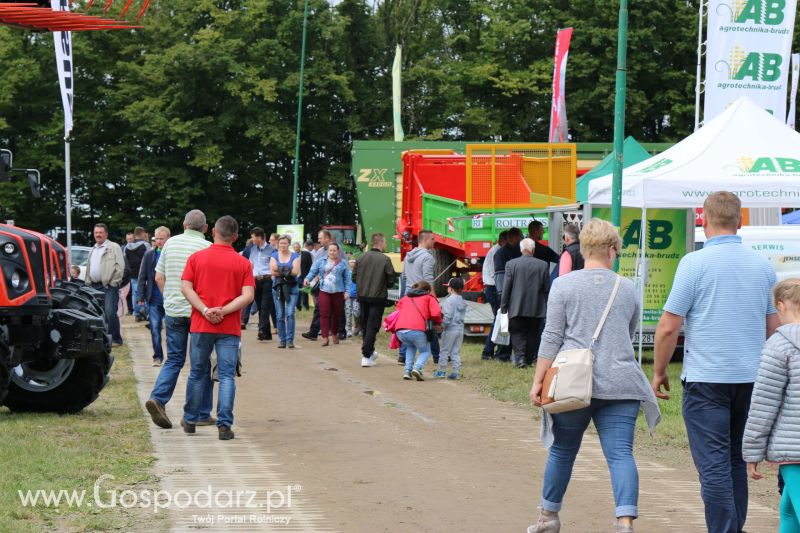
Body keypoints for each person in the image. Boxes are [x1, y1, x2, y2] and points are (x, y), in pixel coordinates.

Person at [652, 191, 778, 533]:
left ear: (703, 220)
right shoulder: (763, 266)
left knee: (714, 467)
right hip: (752, 380)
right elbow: (774, 328)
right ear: (740, 222)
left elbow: (668, 327)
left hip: (706, 380)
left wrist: (659, 371)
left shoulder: (693, 264)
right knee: (736, 462)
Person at [528, 219, 660, 533]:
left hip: (573, 382)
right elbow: (628, 332)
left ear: (583, 249)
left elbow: (551, 337)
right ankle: (625, 522)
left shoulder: (563, 285)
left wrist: (538, 381)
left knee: (562, 450)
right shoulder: (627, 288)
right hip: (621, 384)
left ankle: (549, 518)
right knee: (620, 454)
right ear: (613, 249)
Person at [181, 216, 255, 441]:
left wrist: (205, 310)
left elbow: (186, 287)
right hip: (229, 326)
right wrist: (223, 311)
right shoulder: (243, 263)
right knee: (226, 376)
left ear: (213, 231)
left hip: (201, 324)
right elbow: (248, 295)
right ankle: (224, 425)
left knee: (196, 372)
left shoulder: (196, 258)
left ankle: (191, 419)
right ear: (236, 237)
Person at [145, 210, 215, 430]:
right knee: (200, 364)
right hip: (198, 312)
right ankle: (201, 412)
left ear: (184, 225)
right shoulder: (208, 248)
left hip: (173, 309)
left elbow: (158, 277)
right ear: (205, 228)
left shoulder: (170, 243)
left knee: (174, 359)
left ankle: (158, 398)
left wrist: (169, 297)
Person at [743, 279, 800, 533]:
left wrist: (753, 452)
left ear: (780, 305)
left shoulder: (779, 346)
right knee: (788, 511)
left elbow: (764, 403)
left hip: (794, 449)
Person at [501, 238, 550, 368]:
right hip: (537, 307)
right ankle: (527, 359)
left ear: (521, 249)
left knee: (517, 333)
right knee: (532, 334)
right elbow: (546, 289)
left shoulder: (511, 264)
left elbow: (507, 288)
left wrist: (503, 307)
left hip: (516, 306)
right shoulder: (543, 265)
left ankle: (520, 359)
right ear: (533, 249)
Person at [353, 233, 396, 367]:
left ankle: (369, 352)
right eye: (385, 243)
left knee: (365, 323)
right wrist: (383, 284)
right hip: (378, 297)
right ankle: (366, 354)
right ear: (381, 243)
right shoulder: (385, 259)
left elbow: (353, 277)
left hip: (362, 296)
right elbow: (391, 279)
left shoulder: (360, 258)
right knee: (373, 325)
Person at [84, 223, 125, 346]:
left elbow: (120, 266)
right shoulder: (93, 249)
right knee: (99, 313)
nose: (98, 234)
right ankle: (104, 338)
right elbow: (89, 267)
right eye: (96, 232)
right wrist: (88, 283)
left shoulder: (114, 247)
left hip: (109, 286)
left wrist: (113, 283)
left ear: (106, 234)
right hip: (94, 286)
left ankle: (116, 339)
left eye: (101, 232)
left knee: (110, 312)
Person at [399, 230, 437, 365]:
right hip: (422, 296)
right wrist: (433, 296)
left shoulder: (408, 255)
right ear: (425, 240)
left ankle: (402, 356)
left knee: (407, 324)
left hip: (408, 294)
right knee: (427, 326)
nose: (434, 241)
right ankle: (436, 355)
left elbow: (403, 276)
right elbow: (428, 279)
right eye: (432, 239)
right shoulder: (427, 257)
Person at [304, 242, 351, 346]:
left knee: (337, 315)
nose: (332, 252)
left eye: (334, 250)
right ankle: (325, 337)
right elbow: (312, 271)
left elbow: (348, 279)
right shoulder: (321, 261)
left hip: (338, 292)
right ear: (327, 251)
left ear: (338, 251)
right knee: (324, 313)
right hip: (324, 290)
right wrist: (307, 278)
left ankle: (334, 333)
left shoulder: (343, 263)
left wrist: (347, 292)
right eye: (330, 250)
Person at [394, 281, 442, 381]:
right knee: (425, 351)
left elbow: (397, 312)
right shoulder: (429, 298)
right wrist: (437, 323)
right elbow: (437, 312)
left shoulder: (404, 298)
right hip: (418, 330)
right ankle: (417, 368)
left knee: (410, 346)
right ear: (428, 290)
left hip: (400, 331)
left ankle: (407, 371)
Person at [137, 226, 170, 366]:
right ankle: (157, 356)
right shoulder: (149, 255)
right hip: (153, 297)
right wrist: (140, 296)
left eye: (162, 238)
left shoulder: (172, 254)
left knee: (171, 330)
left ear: (168, 238)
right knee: (155, 328)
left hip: (170, 297)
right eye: (157, 238)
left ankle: (172, 357)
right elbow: (142, 276)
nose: (159, 241)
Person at [494, 227, 524, 362]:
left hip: (516, 294)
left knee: (514, 326)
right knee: (504, 326)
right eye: (520, 236)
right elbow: (500, 276)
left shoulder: (518, 251)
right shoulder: (501, 253)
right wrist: (502, 296)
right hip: (506, 295)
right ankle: (503, 354)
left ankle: (509, 354)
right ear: (513, 238)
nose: (522, 239)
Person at [241, 227, 276, 341]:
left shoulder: (271, 250)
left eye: (253, 237)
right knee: (261, 306)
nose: (252, 239)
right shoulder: (252, 249)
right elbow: (250, 264)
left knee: (265, 306)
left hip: (267, 280)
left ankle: (261, 329)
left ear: (259, 237)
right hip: (255, 280)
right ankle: (266, 334)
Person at [302, 230, 334, 341]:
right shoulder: (320, 252)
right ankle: (314, 332)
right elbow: (314, 268)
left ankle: (338, 331)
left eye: (320, 238)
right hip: (322, 285)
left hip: (335, 285)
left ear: (327, 238)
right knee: (319, 308)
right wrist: (308, 278)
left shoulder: (337, 249)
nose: (319, 240)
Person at [434, 277, 467, 380]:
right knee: (455, 351)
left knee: (444, 351)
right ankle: (456, 372)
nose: (447, 288)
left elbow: (448, 316)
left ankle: (441, 371)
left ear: (451, 288)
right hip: (460, 328)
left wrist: (442, 326)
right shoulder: (463, 301)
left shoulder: (449, 300)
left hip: (450, 328)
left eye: (448, 287)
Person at [270, 235, 301, 349]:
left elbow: (295, 272)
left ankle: (290, 340)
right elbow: (272, 271)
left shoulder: (295, 256)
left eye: (285, 243)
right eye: (281, 243)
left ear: (289, 244)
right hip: (278, 287)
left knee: (290, 313)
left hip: (292, 287)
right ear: (278, 244)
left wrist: (280, 269)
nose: (283, 245)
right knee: (280, 315)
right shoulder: (274, 255)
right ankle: (282, 340)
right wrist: (288, 270)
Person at [481, 231, 507, 360]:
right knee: (499, 320)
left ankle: (493, 350)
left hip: (494, 288)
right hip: (494, 288)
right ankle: (488, 351)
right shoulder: (497, 253)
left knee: (500, 320)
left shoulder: (497, 251)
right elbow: (495, 274)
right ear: (502, 240)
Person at [124, 226, 151, 321]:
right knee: (147, 292)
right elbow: (150, 259)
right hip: (145, 273)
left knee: (135, 293)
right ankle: (147, 313)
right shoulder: (146, 245)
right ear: (142, 234)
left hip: (133, 274)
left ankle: (137, 314)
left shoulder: (126, 247)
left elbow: (125, 261)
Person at [296, 241, 314, 311]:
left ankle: (302, 306)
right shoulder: (294, 254)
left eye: (297, 247)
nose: (296, 248)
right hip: (301, 276)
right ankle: (301, 306)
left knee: (302, 292)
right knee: (301, 292)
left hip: (301, 276)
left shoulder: (303, 254)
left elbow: (310, 265)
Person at [345, 260, 360, 337]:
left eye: (354, 267)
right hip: (348, 296)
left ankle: (357, 326)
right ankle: (349, 329)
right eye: (351, 266)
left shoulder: (359, 274)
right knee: (348, 312)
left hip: (357, 296)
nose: (352, 268)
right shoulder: (346, 274)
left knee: (356, 312)